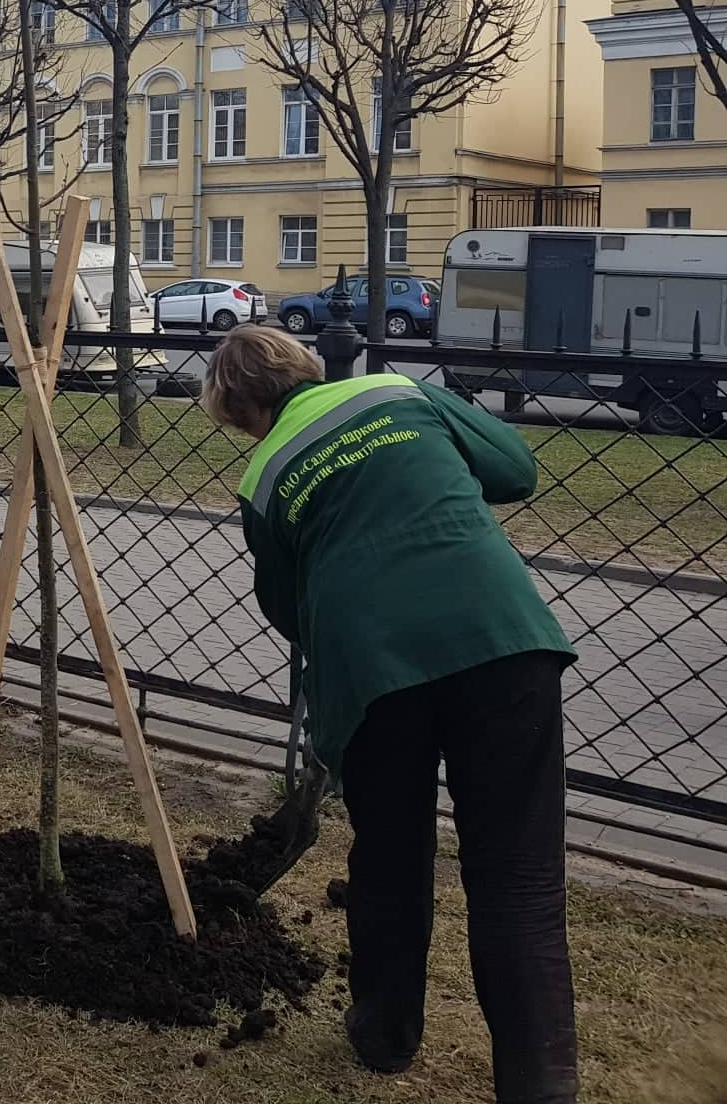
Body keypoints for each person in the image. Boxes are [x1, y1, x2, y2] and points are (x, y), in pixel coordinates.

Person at [201, 326, 577, 1104]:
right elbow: (514, 469)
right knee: (518, 879)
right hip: (503, 642)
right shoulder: (397, 392)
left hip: (374, 678)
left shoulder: (265, 475)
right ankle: (541, 1086)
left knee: (392, 859)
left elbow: (286, 607)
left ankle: (385, 1033)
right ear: (303, 365)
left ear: (240, 412)